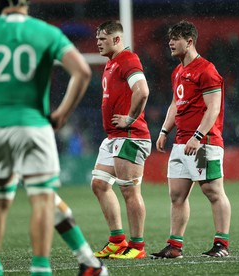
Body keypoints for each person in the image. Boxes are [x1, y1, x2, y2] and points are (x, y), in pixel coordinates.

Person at [0, 0, 107, 275]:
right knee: (43, 198)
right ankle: (43, 269)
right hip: (33, 124)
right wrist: (62, 114)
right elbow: (81, 71)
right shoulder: (45, 31)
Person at [150, 20, 231, 259]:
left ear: (190, 41)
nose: (171, 43)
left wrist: (198, 136)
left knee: (213, 191)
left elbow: (213, 108)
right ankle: (175, 246)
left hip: (204, 143)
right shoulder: (178, 71)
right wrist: (165, 130)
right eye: (169, 39)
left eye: (175, 39)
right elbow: (176, 104)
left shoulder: (206, 69)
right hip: (181, 143)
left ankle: (221, 244)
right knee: (176, 195)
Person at [91, 20, 151, 260]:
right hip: (114, 137)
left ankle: (137, 246)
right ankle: (117, 241)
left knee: (129, 190)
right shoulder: (111, 64)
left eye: (102, 39)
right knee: (99, 185)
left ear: (116, 39)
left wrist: (130, 118)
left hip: (130, 136)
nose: (97, 44)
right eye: (97, 40)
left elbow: (143, 90)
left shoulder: (128, 60)